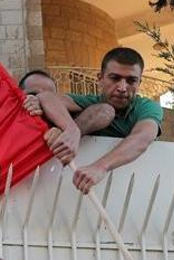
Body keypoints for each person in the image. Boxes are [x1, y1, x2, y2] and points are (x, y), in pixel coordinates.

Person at [20, 48, 163, 194]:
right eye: (114, 78)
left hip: (131, 191)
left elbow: (142, 138)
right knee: (105, 110)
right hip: (61, 190)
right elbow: (47, 97)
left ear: (140, 82)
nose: (122, 87)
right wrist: (71, 131)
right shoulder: (90, 102)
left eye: (131, 80)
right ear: (100, 78)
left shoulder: (148, 107)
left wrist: (100, 167)